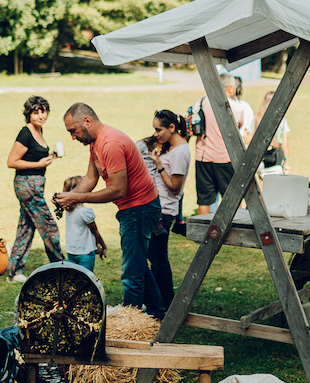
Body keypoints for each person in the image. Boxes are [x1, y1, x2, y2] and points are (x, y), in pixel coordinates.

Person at [55, 103, 164, 318]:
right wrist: (69, 197)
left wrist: (76, 197)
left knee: (132, 273)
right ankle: (158, 314)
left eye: (73, 131)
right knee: (139, 266)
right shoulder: (95, 142)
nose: (73, 138)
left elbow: (118, 190)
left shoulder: (111, 143)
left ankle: (129, 324)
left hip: (140, 208)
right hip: (133, 209)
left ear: (87, 121)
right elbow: (90, 178)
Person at [5, 95, 64, 281]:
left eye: (43, 111)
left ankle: (14, 271)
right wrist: (39, 164)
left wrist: (49, 156)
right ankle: (62, 268)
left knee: (26, 227)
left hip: (36, 185)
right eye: (36, 112)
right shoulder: (26, 132)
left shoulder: (39, 130)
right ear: (28, 114)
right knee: (49, 226)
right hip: (26, 185)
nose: (41, 116)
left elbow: (33, 157)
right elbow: (12, 161)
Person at [147, 110, 191, 308]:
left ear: (171, 128)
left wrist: (159, 165)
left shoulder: (181, 152)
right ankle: (161, 302)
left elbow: (175, 187)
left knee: (158, 261)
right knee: (156, 259)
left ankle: (166, 305)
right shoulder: (171, 147)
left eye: (159, 129)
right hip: (158, 207)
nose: (156, 134)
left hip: (164, 211)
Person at [194, 73, 243, 215]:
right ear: (229, 89)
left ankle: (202, 232)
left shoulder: (201, 102)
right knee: (233, 200)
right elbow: (238, 127)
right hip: (225, 157)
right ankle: (234, 229)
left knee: (204, 200)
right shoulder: (235, 107)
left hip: (203, 156)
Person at [61, 175, 107, 271]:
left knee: (73, 280)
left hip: (71, 251)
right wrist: (103, 245)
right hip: (85, 253)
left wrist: (95, 244)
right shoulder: (85, 212)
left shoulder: (69, 210)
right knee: (87, 280)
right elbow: (94, 230)